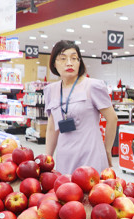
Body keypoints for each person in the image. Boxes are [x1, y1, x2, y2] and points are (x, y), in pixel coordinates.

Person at [44, 40, 118, 175]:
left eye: (74, 58)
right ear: (54, 63)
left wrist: (107, 149)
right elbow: (51, 127)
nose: (69, 63)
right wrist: (47, 159)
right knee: (66, 192)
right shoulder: (51, 90)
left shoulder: (93, 86)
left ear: (80, 62)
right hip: (64, 156)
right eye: (63, 58)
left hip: (91, 154)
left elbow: (112, 118)